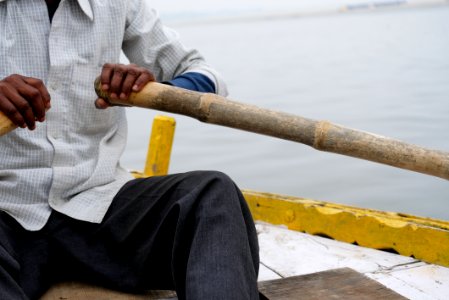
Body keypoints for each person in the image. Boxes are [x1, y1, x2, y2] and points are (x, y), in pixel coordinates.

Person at [0, 0, 259, 299]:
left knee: (211, 194)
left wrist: (150, 88)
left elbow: (209, 79)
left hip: (97, 206)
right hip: (7, 213)